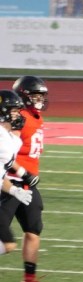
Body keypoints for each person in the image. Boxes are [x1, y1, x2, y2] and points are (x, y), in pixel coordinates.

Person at [0, 77, 52, 282]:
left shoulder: (35, 117)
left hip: (28, 185)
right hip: (10, 183)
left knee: (33, 229)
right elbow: (7, 154)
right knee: (5, 239)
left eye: (41, 96)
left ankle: (29, 280)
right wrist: (23, 174)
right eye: (35, 95)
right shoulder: (18, 118)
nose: (40, 100)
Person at [0, 91, 35, 270]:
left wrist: (15, 189)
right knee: (7, 244)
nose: (17, 115)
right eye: (14, 111)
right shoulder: (3, 139)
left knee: (8, 244)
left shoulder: (8, 137)